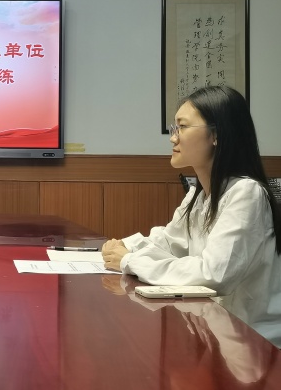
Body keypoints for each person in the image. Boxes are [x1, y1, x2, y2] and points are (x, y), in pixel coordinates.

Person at [102, 85, 281, 346]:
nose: (173, 138)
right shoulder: (199, 194)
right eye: (174, 128)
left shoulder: (247, 193)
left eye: (182, 127)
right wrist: (125, 246)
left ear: (216, 135)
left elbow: (212, 275)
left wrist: (130, 260)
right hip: (219, 334)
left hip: (255, 343)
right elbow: (169, 241)